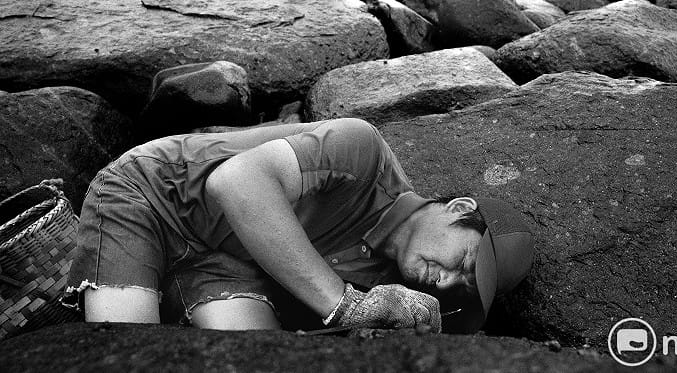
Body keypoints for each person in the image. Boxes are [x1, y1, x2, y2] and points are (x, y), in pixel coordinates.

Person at [63, 117, 534, 333]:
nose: (448, 279)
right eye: (465, 260)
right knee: (126, 350)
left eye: (461, 287)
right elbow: (238, 181)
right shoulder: (362, 152)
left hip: (227, 260)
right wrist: (345, 306)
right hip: (151, 194)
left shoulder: (390, 284)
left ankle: (163, 293)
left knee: (256, 360)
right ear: (459, 208)